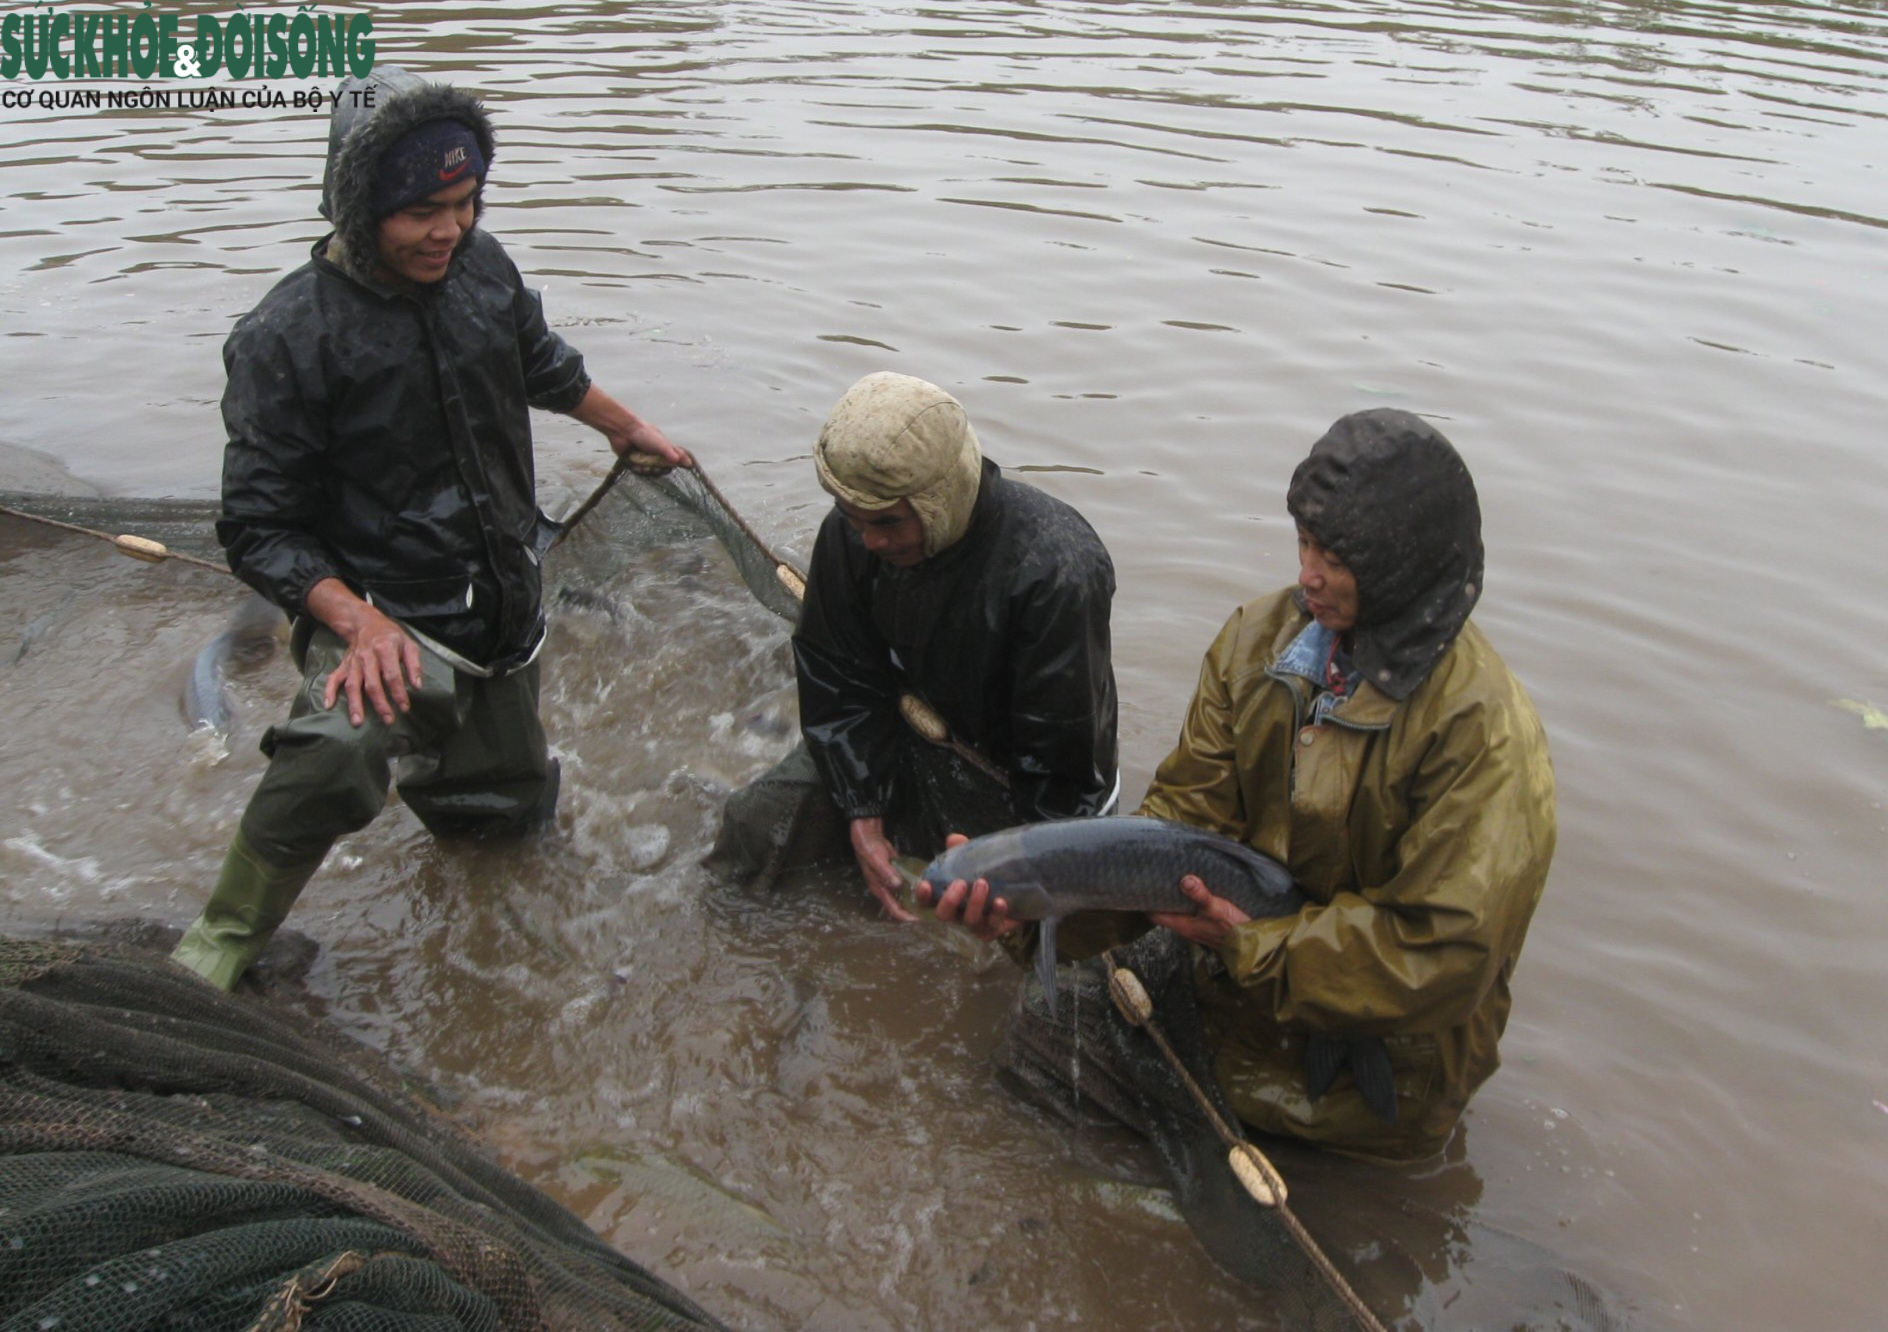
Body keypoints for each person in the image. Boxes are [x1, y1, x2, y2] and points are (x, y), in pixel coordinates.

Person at [169, 67, 691, 991]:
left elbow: (540, 360)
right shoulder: (286, 336)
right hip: (383, 616)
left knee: (503, 818)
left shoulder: (481, 267)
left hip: (500, 604)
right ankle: (219, 944)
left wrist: (624, 425)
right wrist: (356, 623)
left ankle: (489, 929)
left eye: (465, 202)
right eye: (419, 211)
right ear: (357, 204)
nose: (448, 229)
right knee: (335, 752)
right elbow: (259, 529)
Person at [924, 408, 1556, 1161]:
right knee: (1030, 1062)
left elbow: (1444, 954)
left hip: (1385, 1072)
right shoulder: (1259, 643)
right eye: (1305, 542)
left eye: (1336, 556)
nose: (1306, 575)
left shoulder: (1483, 734)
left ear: (1404, 569)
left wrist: (1253, 943)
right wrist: (1027, 912)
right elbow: (1172, 838)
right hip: (1233, 1000)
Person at [711, 371, 1119, 918]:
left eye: (888, 523)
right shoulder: (851, 534)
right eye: (855, 519)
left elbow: (1060, 762)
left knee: (1029, 947)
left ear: (940, 498)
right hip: (907, 734)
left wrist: (1015, 884)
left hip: (1027, 784)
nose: (870, 541)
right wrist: (863, 809)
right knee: (755, 825)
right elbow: (838, 676)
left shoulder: (1055, 570)